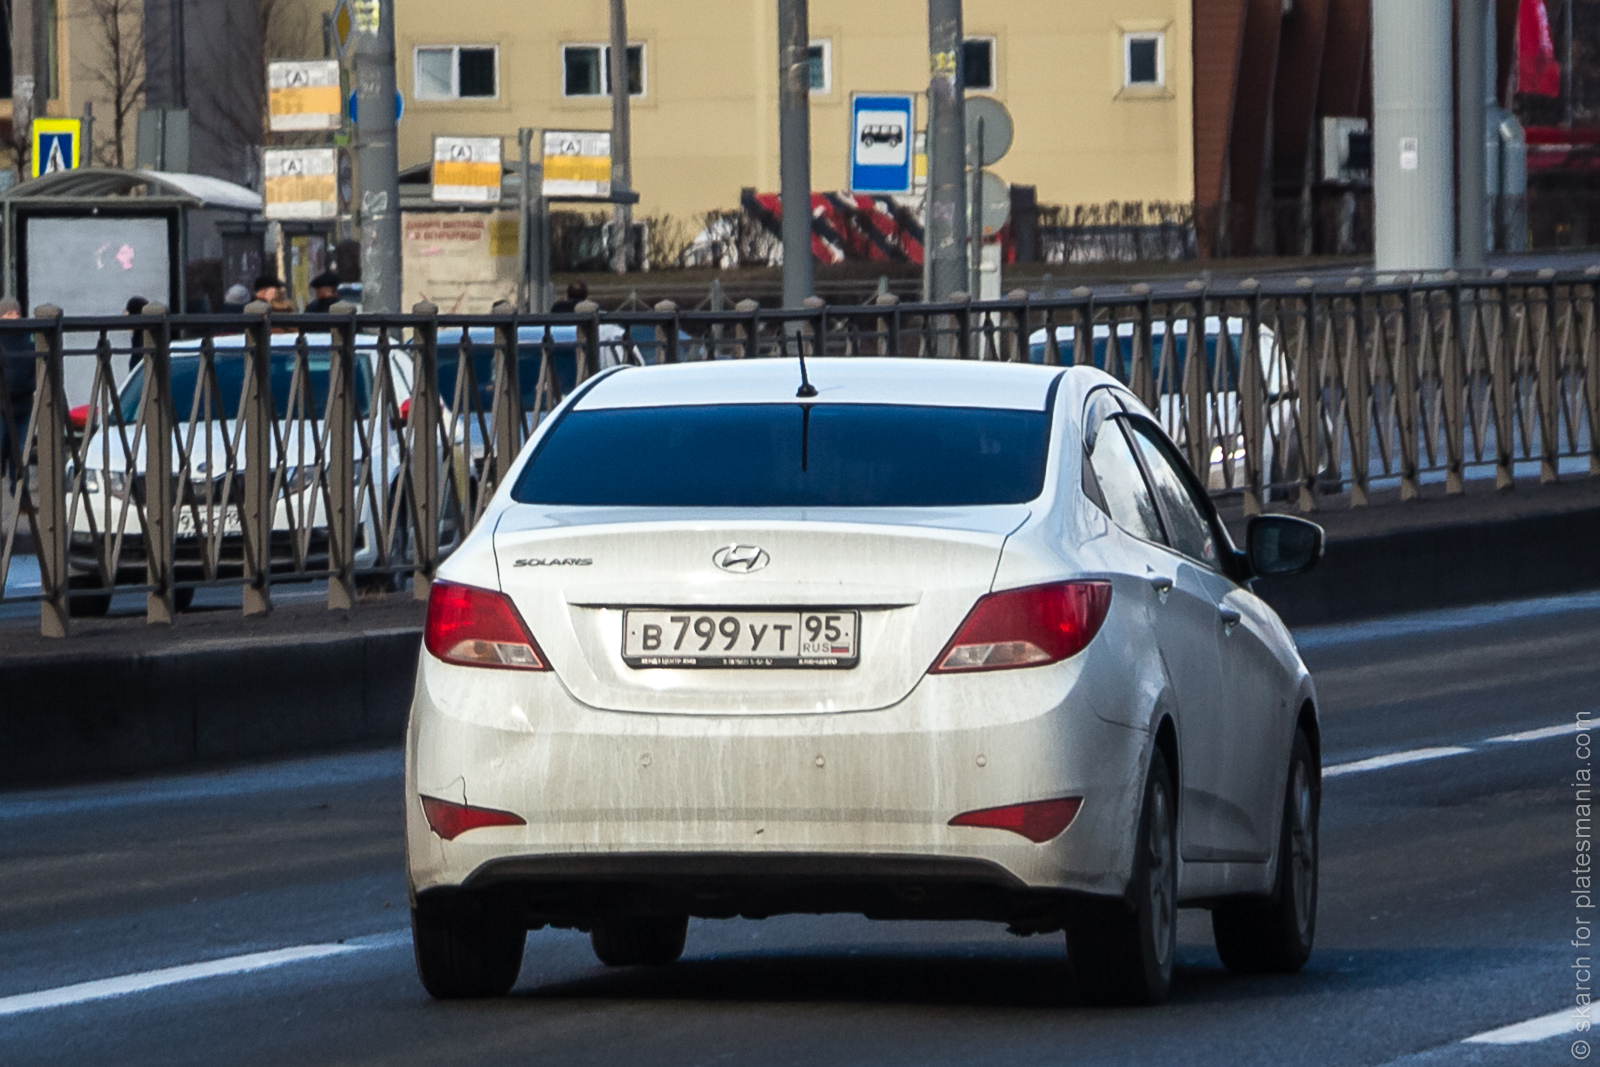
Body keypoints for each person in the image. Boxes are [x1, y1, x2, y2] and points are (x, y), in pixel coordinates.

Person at [0, 297, 33, 487]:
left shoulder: (28, 337)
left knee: (20, 457)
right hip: (2, 407)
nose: (14, 317)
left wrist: (32, 385)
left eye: (17, 313)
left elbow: (37, 366)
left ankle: (21, 495)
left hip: (23, 406)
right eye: (9, 313)